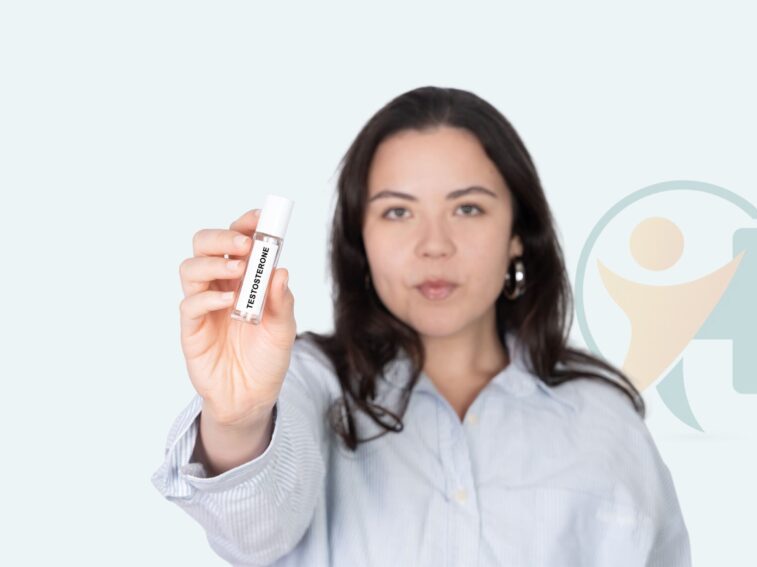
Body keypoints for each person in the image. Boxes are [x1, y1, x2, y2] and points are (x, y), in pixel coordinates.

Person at [151, 86, 692, 567]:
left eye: (469, 209)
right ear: (359, 240)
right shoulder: (307, 385)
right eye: (398, 212)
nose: (435, 244)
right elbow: (253, 533)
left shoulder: (603, 422)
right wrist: (239, 418)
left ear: (518, 234)